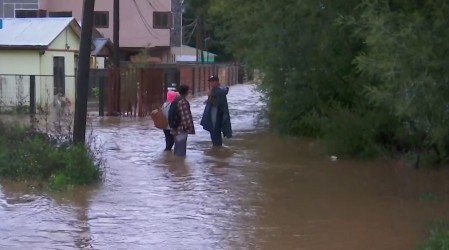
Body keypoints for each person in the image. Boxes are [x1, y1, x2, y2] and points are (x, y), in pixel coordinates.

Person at [200, 75, 232, 146]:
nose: (211, 83)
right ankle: (217, 151)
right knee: (215, 133)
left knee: (215, 133)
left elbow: (217, 104)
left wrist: (210, 95)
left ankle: (217, 150)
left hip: (216, 116)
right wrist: (208, 99)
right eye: (210, 81)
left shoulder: (219, 91)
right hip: (214, 116)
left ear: (217, 81)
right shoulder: (217, 89)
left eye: (212, 81)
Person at [171, 84, 195, 157]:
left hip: (175, 128)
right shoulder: (183, 102)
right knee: (181, 153)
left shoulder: (175, 100)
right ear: (186, 92)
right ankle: (179, 166)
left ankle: (174, 166)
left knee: (177, 149)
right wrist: (190, 128)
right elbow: (185, 117)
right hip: (181, 129)